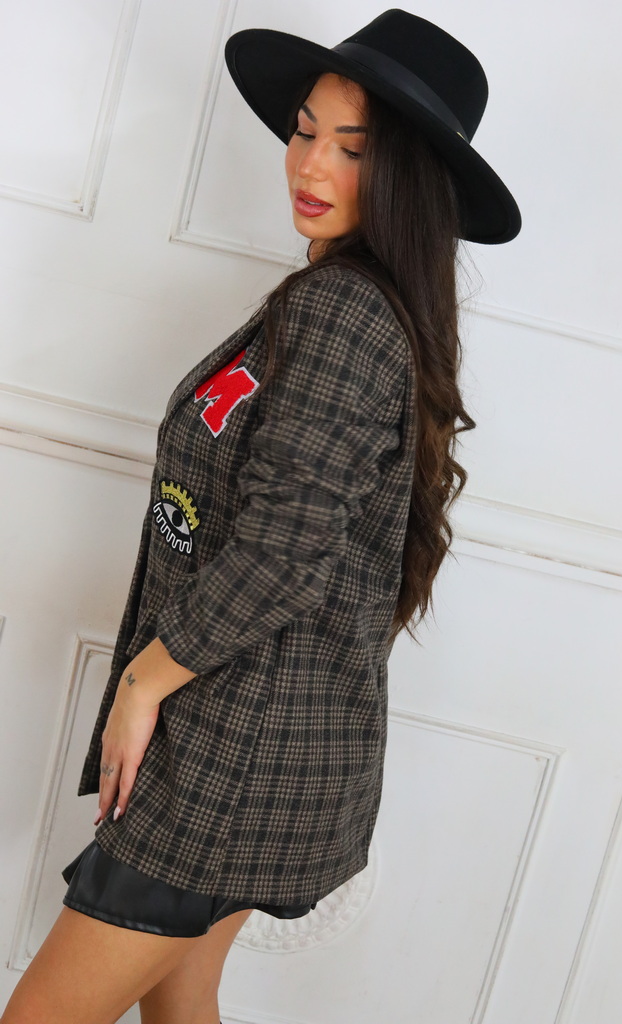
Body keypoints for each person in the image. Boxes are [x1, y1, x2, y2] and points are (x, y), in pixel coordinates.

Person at [1, 9, 521, 1024]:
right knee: (183, 1001)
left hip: (228, 750)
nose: (310, 163)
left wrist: (144, 681)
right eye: (304, 130)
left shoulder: (341, 313)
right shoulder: (346, 302)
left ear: (407, 179)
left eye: (352, 148)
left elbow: (283, 553)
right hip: (255, 738)